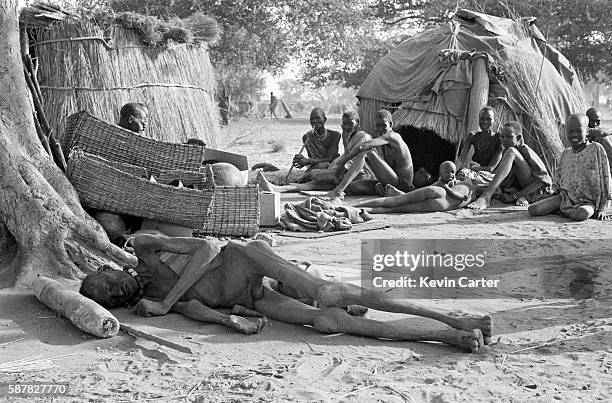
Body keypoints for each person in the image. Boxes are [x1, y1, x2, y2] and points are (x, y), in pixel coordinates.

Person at [80, 234, 493, 352]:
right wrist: (227, 318)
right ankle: (446, 336)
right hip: (252, 297)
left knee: (328, 293)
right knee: (326, 320)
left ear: (108, 267)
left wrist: (166, 302)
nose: (122, 290)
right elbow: (192, 309)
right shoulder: (147, 300)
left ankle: (454, 318)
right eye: (115, 298)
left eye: (114, 284)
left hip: (248, 260)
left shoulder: (145, 247)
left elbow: (207, 248)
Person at [257, 110, 373, 196]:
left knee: (315, 174)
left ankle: (331, 184)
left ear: (357, 122)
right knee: (313, 184)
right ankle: (276, 189)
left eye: (350, 124)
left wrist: (344, 141)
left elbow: (354, 161)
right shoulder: (308, 137)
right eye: (344, 124)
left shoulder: (362, 137)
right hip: (337, 171)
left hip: (354, 175)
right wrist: (303, 160)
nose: (347, 127)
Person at [528, 114, 611, 221]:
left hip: (589, 201)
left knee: (582, 214)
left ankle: (565, 211)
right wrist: (554, 195)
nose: (574, 135)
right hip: (565, 197)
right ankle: (564, 209)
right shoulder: (566, 153)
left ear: (586, 132)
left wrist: (601, 209)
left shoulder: (596, 149)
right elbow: (559, 178)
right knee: (533, 209)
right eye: (570, 131)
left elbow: (606, 178)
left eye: (578, 131)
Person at [327, 109, 414, 196]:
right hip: (387, 183)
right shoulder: (381, 141)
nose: (380, 129)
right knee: (349, 187)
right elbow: (380, 168)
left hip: (402, 185)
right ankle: (383, 190)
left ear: (391, 124)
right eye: (377, 126)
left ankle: (337, 191)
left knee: (366, 152)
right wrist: (379, 183)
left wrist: (342, 164)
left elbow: (362, 147)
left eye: (383, 125)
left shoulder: (393, 137)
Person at [468, 121, 552, 209]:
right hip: (517, 189)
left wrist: (515, 196)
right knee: (475, 185)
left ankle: (486, 197)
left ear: (518, 138)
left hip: (535, 190)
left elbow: (543, 181)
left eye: (509, 137)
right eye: (502, 137)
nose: (504, 139)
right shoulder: (504, 151)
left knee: (511, 152)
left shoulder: (524, 151)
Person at [354, 161, 475, 213]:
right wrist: (463, 196)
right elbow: (454, 194)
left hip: (440, 201)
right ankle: (355, 208)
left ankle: (354, 208)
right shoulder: (468, 185)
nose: (454, 175)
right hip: (442, 203)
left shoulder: (465, 183)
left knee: (394, 203)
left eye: (455, 173)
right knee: (393, 206)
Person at [292, 107, 341, 183]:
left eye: (318, 118)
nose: (314, 121)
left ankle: (301, 180)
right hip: (316, 167)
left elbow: (330, 158)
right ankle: (305, 178)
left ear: (324, 119)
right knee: (318, 168)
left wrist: (308, 161)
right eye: (311, 119)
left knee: (324, 165)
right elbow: (313, 158)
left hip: (332, 166)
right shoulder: (307, 137)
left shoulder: (335, 135)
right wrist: (301, 160)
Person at [456, 106, 503, 172]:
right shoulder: (473, 136)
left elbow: (491, 168)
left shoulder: (499, 138)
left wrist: (471, 168)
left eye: (488, 119)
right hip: (475, 172)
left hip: (492, 175)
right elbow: (461, 159)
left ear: (495, 122)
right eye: (482, 119)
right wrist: (453, 171)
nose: (484, 122)